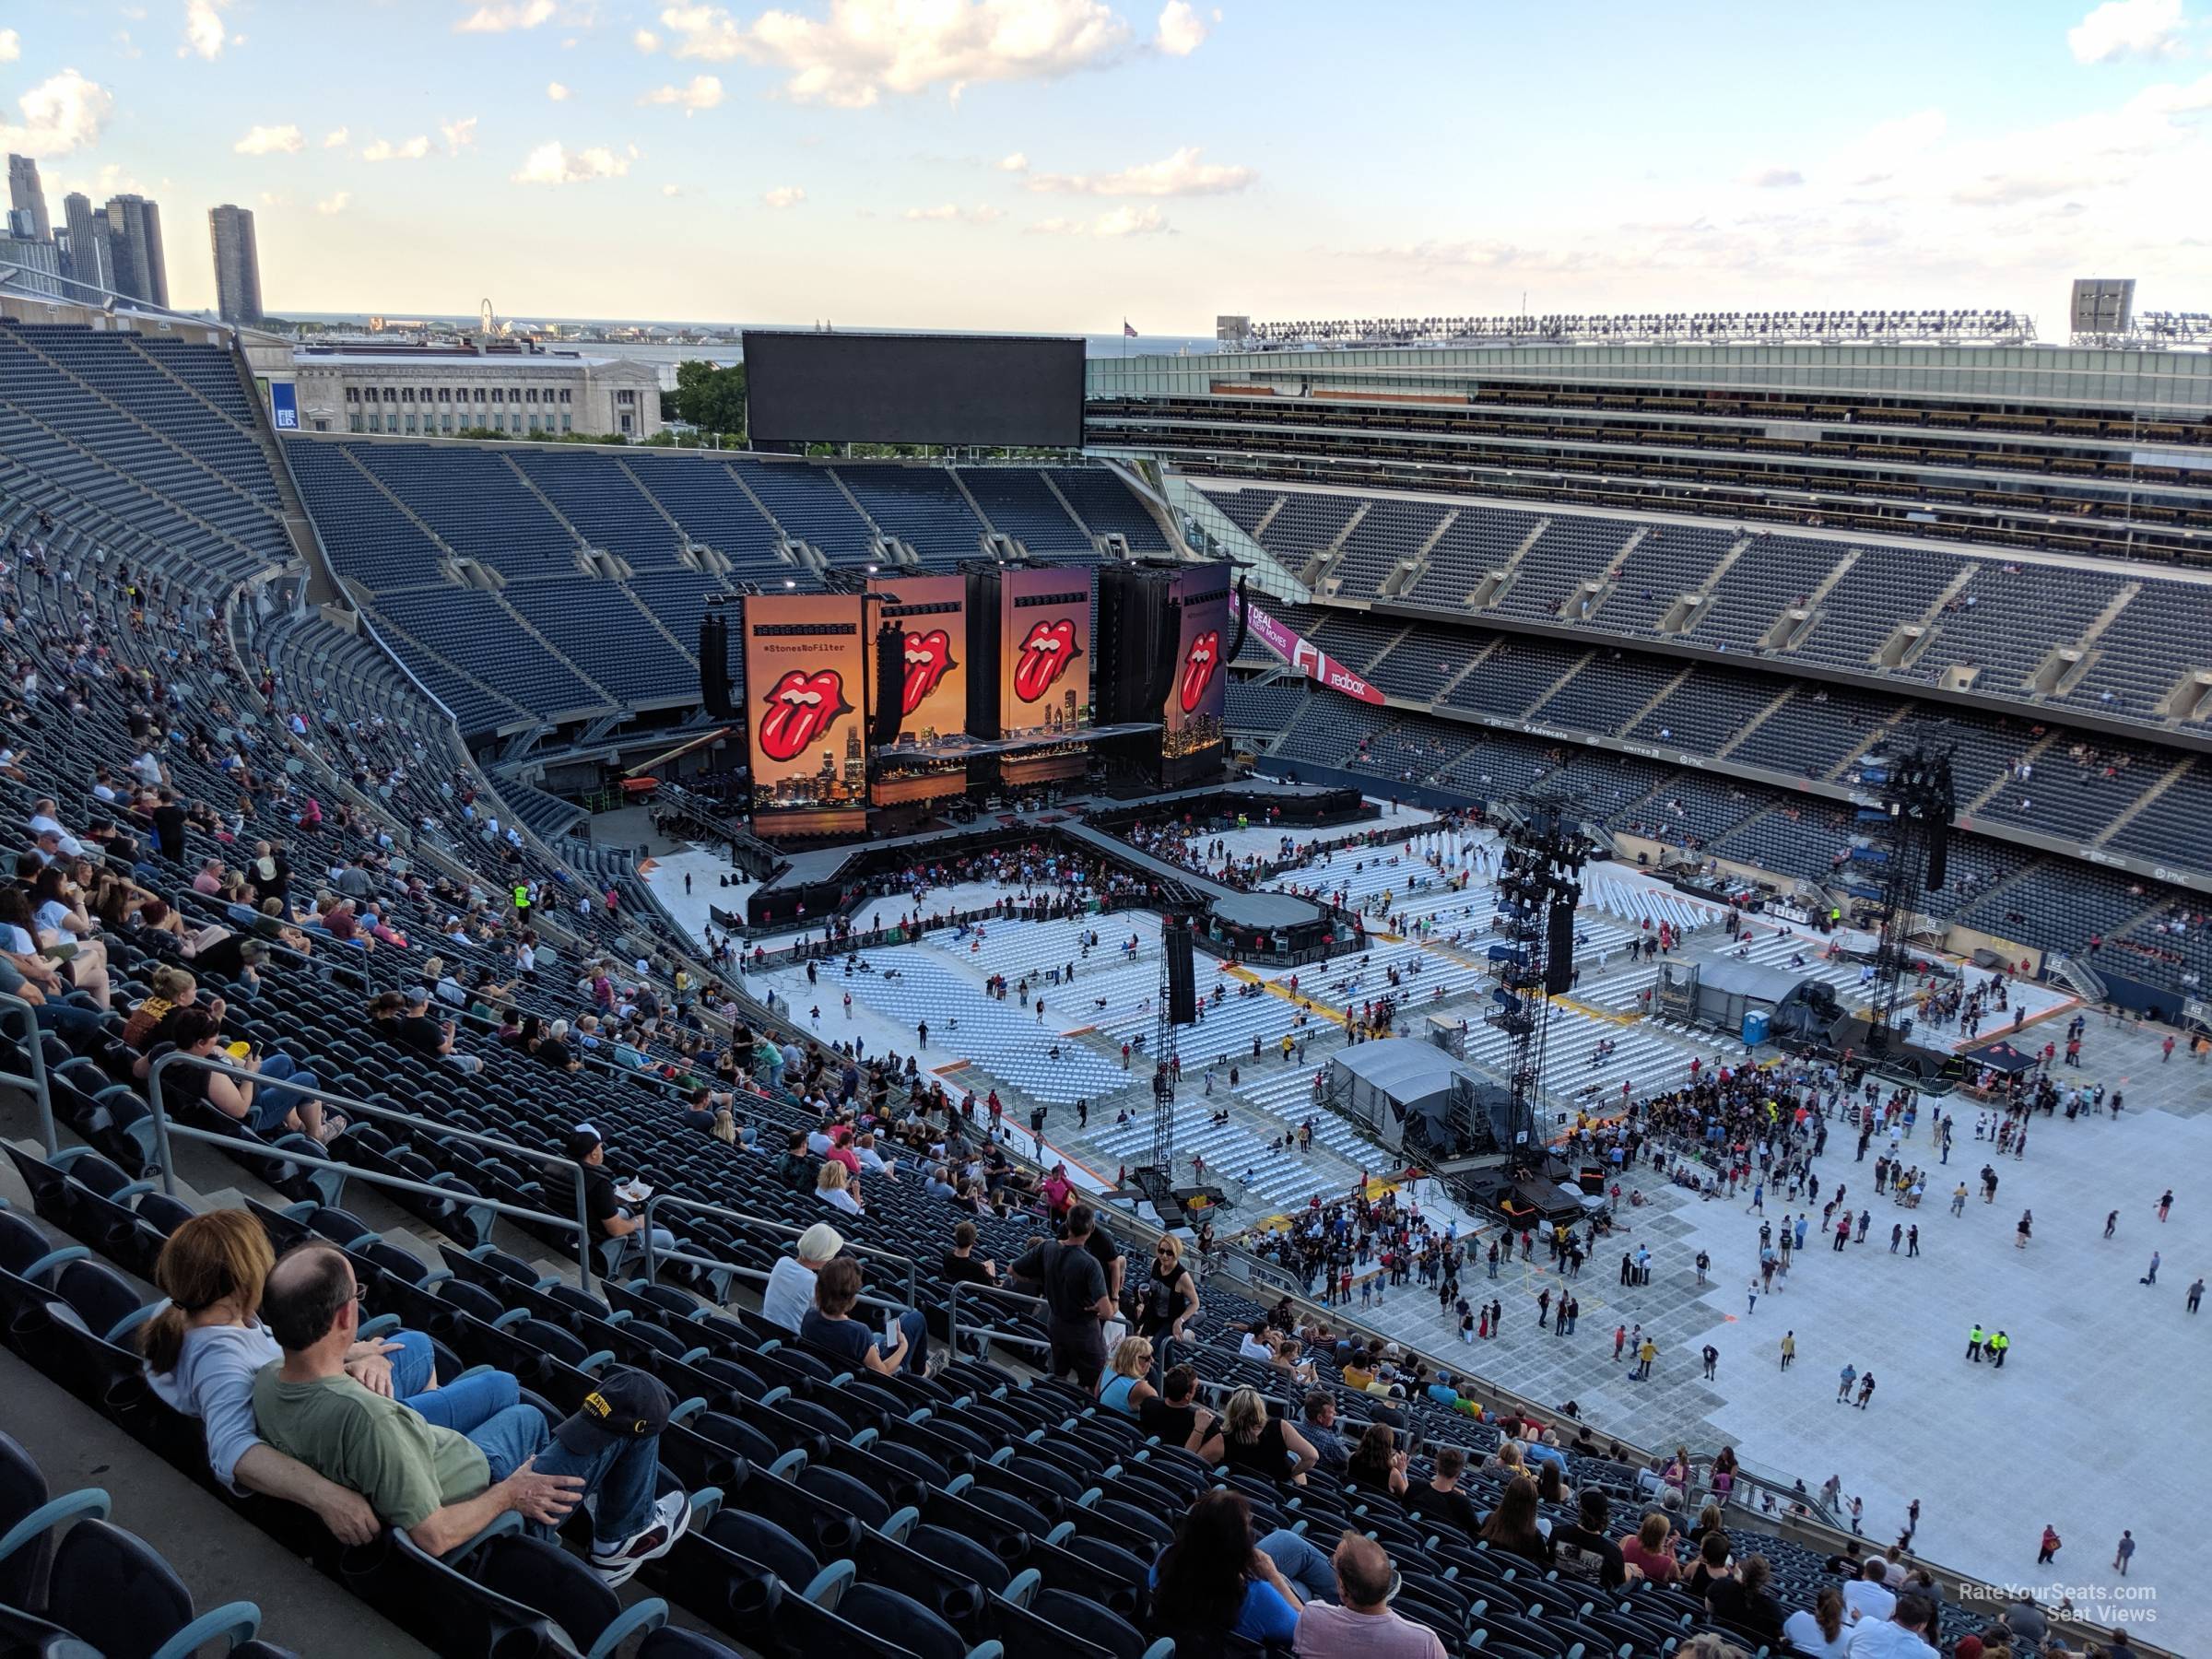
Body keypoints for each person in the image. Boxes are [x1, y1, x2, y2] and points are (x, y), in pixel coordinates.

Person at [249, 1241, 689, 1583]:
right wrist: (511, 1493)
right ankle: (619, 1539)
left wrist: (354, 1356)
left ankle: (585, 1498)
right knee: (637, 1395)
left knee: (528, 1416)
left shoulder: (269, 1379)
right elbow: (434, 1536)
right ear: (346, 1317)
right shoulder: (372, 1421)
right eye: (356, 1294)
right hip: (482, 1503)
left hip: (436, 1459)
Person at [139, 1211, 516, 1545]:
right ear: (243, 1279)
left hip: (310, 1392)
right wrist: (326, 1496)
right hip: (331, 1425)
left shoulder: (176, 1313)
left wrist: (348, 1354)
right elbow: (229, 1450)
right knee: (503, 1388)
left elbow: (271, 1350)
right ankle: (432, 1463)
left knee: (412, 1346)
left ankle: (426, 1448)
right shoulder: (222, 1364)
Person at [1148, 1488, 1322, 1646]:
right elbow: (1309, 1633)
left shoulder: (1167, 1559)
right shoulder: (1255, 1595)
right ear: (1239, 1540)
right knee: (1301, 1587)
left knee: (1289, 1547)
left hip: (1186, 1640)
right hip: (1237, 1632)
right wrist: (1274, 1577)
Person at [1292, 1531, 1448, 1659]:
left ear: (1342, 1589)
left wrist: (1273, 1577)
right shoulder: (1425, 1643)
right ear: (1388, 1584)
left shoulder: (1314, 1615)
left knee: (1300, 1587)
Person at [1012, 1204, 1116, 1390]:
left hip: (1056, 1324)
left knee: (1059, 1375)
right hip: (1084, 1333)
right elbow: (1107, 1313)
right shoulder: (1091, 1264)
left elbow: (1012, 1270)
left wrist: (1043, 1281)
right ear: (1091, 1229)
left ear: (1067, 1225)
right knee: (1094, 1382)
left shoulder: (1047, 1247)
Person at [799, 1255, 929, 1378]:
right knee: (915, 1317)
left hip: (838, 1368)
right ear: (851, 1297)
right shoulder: (858, 1332)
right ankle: (920, 1375)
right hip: (868, 1380)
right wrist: (903, 1347)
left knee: (885, 1333)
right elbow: (882, 1372)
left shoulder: (810, 1316)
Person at [567, 1125, 676, 1266]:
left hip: (571, 1230)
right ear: (594, 1153)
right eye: (600, 1146)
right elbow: (616, 1230)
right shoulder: (599, 1182)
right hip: (595, 1249)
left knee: (624, 1211)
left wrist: (613, 1198)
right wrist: (637, 1222)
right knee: (667, 1239)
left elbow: (589, 1200)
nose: (602, 1150)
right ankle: (640, 1286)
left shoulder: (557, 1165)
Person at [1199, 1387, 1320, 1484]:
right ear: (1260, 1407)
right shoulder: (1280, 1426)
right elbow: (1312, 1457)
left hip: (1238, 1493)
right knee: (1295, 1459)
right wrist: (1292, 1473)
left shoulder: (1223, 1438)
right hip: (1275, 1494)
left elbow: (1196, 1462)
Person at [759, 1222, 844, 1333]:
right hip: (790, 1340)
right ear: (823, 1256)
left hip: (764, 1325)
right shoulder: (814, 1284)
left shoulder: (783, 1261)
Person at [1550, 1488, 1631, 1589]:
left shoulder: (1557, 1533)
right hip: (1590, 1601)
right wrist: (1629, 1572)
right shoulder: (1612, 1553)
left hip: (1556, 1591)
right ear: (1605, 1517)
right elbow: (1619, 1582)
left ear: (1581, 1511)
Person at [1135, 1234, 1201, 1352]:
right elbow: (1153, 1285)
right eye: (1161, 1251)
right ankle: (1170, 1368)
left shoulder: (1181, 1276)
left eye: (1169, 1253)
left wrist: (1179, 1321)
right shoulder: (1155, 1263)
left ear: (1176, 1253)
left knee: (1151, 1351)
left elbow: (1195, 1303)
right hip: (1153, 1314)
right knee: (1143, 1343)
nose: (1164, 1256)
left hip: (1171, 1320)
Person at [1476, 1474, 1555, 1569]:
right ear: (1533, 1503)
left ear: (1507, 1496)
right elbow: (1543, 1565)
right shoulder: (1534, 1535)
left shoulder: (1489, 1520)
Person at [1705, 1551, 1784, 1642]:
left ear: (1742, 1571)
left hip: (1715, 1640)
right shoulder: (1773, 1608)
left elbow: (1709, 1609)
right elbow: (1780, 1639)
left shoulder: (1721, 1584)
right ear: (1765, 1580)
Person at [1844, 1589, 1939, 1658]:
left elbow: (1847, 1652)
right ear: (1921, 1626)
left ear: (1895, 1613)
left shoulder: (1866, 1622)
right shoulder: (1930, 1655)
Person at [1139, 1365, 1215, 1452]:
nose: (1197, 1390)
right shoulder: (1200, 1420)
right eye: (1197, 1387)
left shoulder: (1148, 1403)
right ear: (1187, 1396)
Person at [1783, 1585, 1853, 1659]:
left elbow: (1784, 1637)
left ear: (1816, 1605)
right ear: (1840, 1612)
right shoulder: (1848, 1637)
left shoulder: (1798, 1618)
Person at [1099, 1335, 1159, 1418]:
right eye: (1148, 1358)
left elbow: (1097, 1395)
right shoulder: (1142, 1388)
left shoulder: (1108, 1366)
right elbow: (1158, 1417)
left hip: (1102, 1419)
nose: (1152, 1360)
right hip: (1124, 1428)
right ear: (1135, 1360)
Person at [1345, 1422, 1409, 1500]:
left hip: (1353, 1501)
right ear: (1388, 1446)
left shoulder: (1352, 1457)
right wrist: (1403, 1472)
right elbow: (1406, 1496)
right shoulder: (1393, 1474)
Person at [1619, 1511, 1679, 1584]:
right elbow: (1678, 1577)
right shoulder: (1668, 1563)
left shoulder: (1627, 1540)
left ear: (1643, 1529)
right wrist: (1670, 1549)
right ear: (1662, 1536)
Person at [1843, 1558, 1897, 1625]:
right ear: (1883, 1578)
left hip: (1849, 1629)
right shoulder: (1892, 1598)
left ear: (1865, 1572)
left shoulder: (1850, 1584)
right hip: (1873, 1634)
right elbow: (1888, 1620)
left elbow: (1845, 1605)